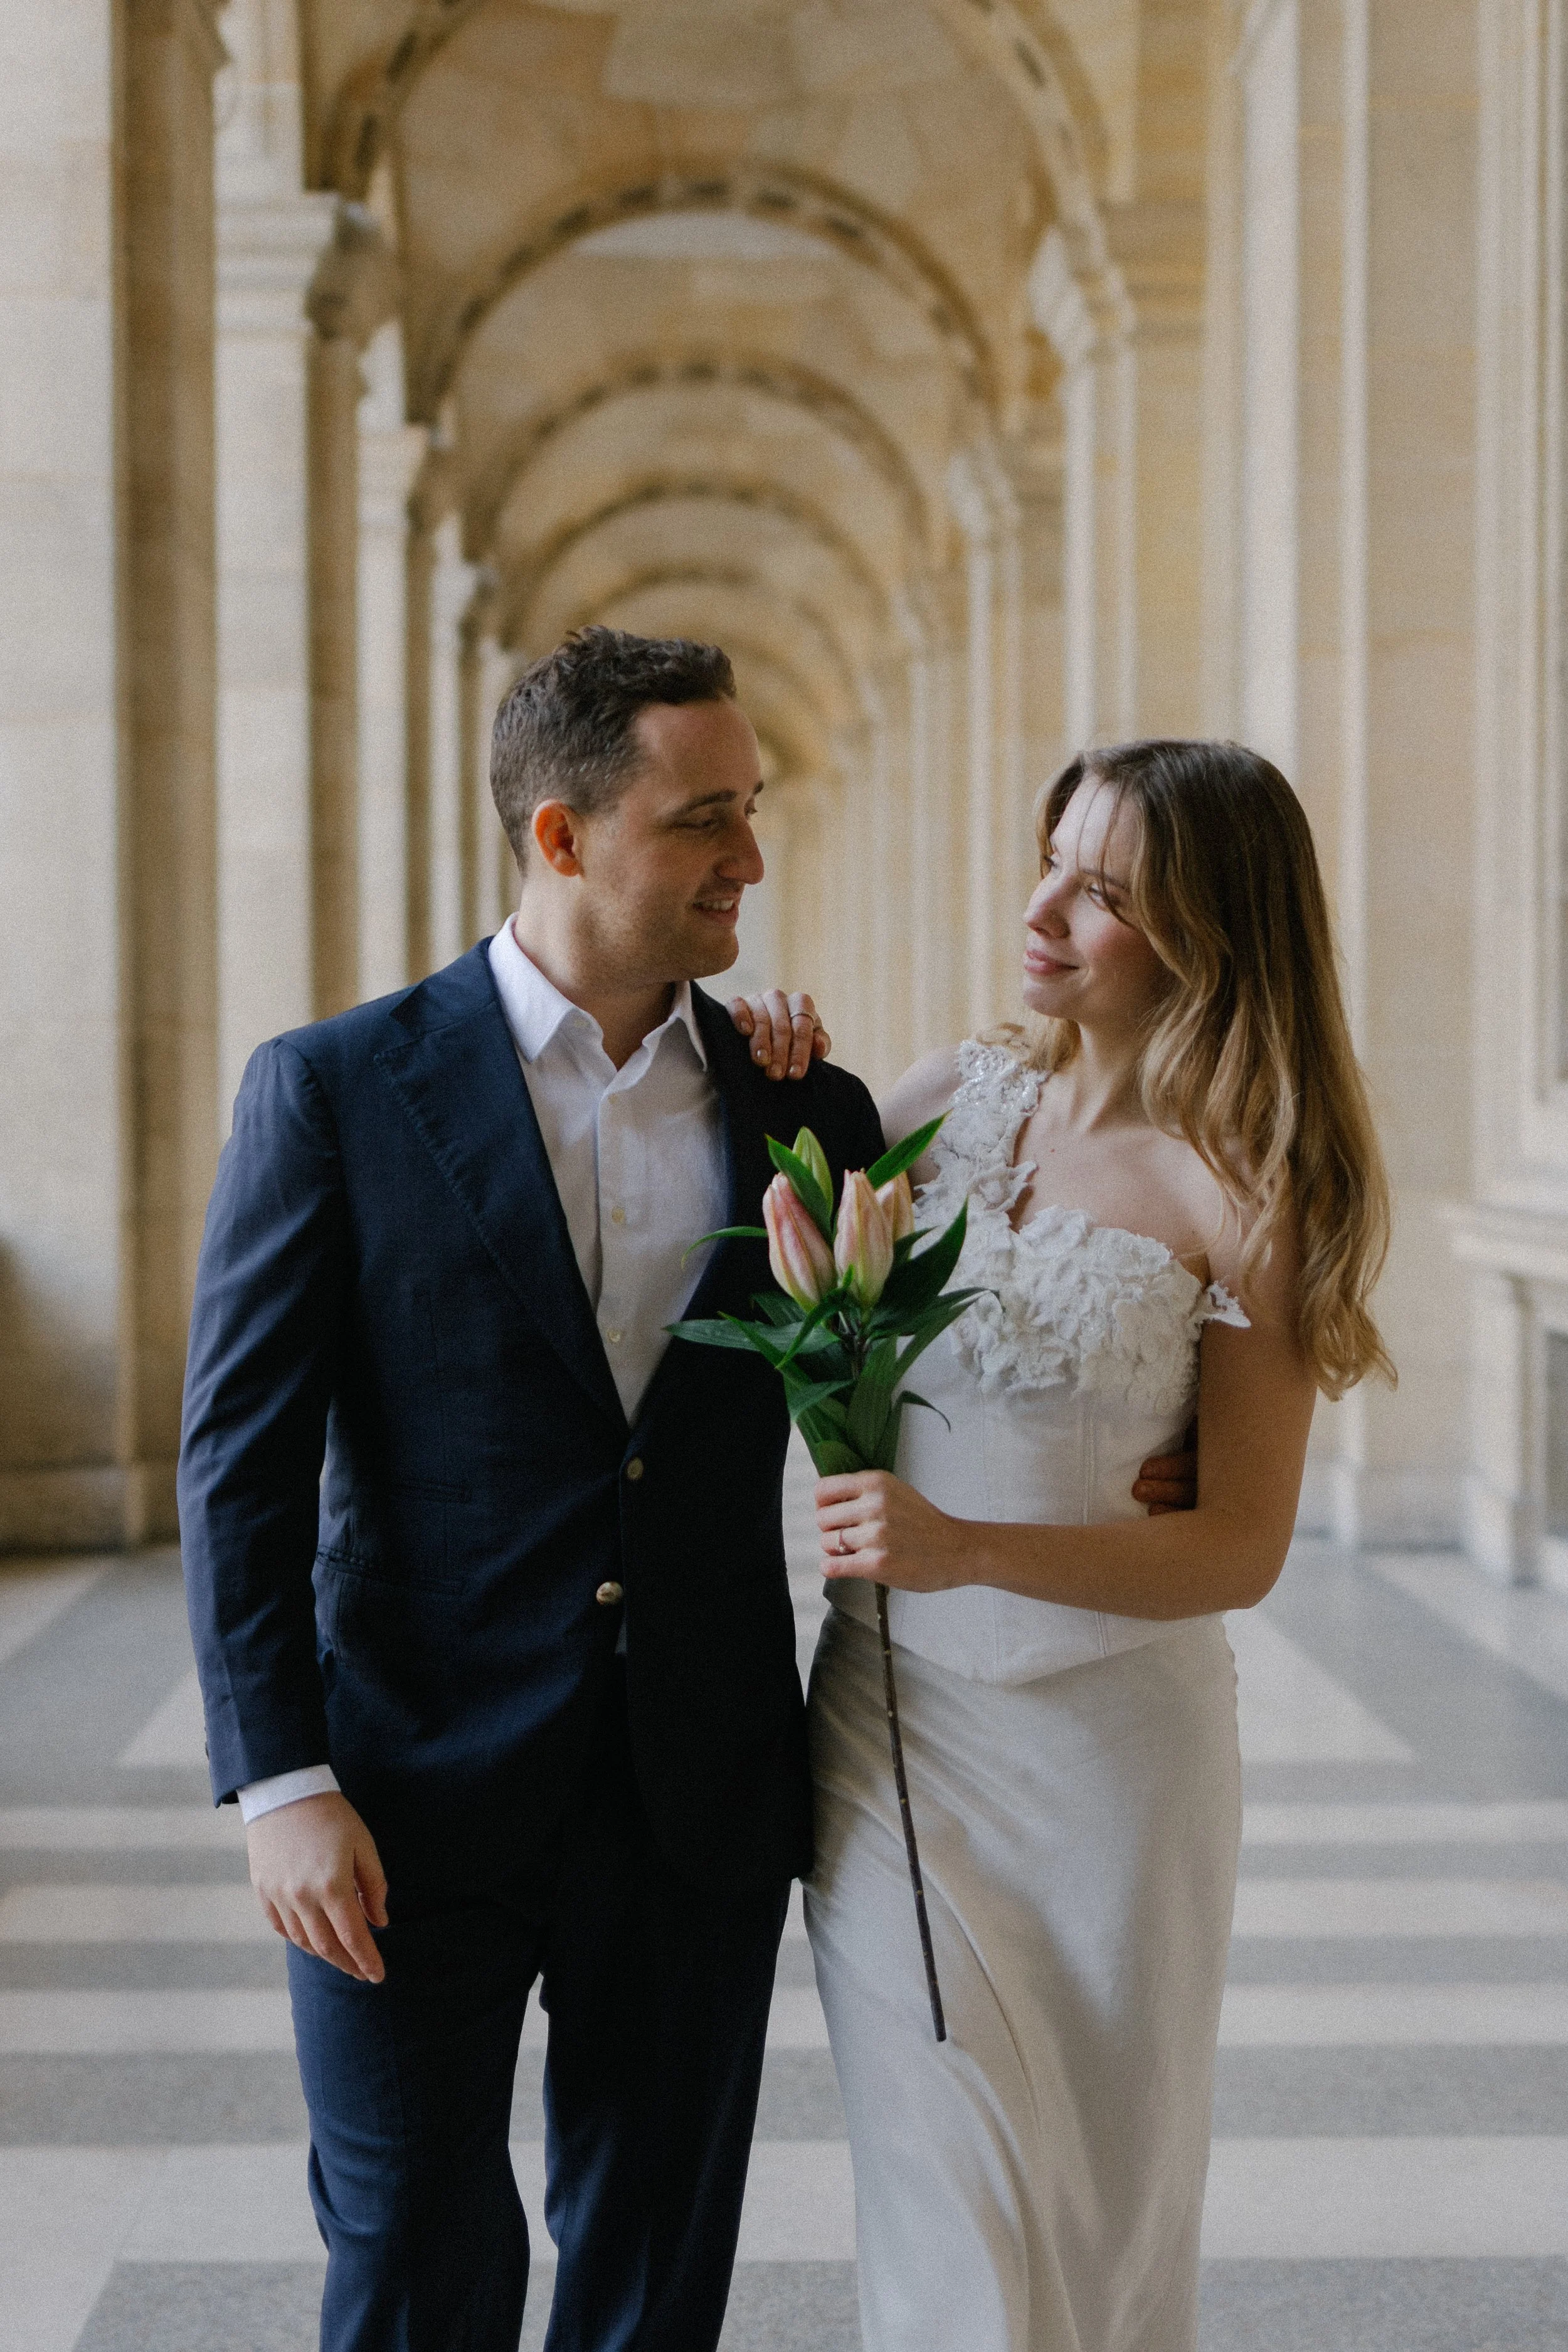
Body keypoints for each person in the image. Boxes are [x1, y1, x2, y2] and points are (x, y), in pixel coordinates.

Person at [176, 628, 887, 2352]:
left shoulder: (808, 1108)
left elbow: (881, 1395)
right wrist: (280, 1779)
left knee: (653, 2267)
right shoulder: (335, 1088)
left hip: (697, 1784)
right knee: (411, 2248)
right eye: (702, 818)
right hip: (402, 1785)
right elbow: (239, 1463)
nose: (749, 858)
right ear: (560, 835)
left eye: (752, 809)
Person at [731, 738, 1392, 2352]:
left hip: (1113, 1769)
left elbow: (1235, 1549)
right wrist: (767, 1083)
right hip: (892, 1739)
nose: (1040, 910)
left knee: (1101, 2213)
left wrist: (965, 1544)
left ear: (1207, 934)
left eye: (1102, 892)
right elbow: (779, 1265)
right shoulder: (942, 1102)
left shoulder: (1245, 1194)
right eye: (1051, 860)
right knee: (938, 2191)